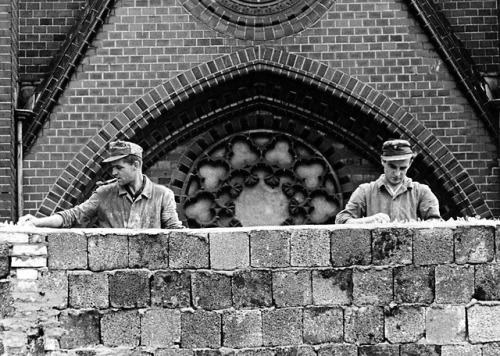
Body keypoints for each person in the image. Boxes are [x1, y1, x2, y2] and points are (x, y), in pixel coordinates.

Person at [18, 140, 184, 229]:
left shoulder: (162, 195)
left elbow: (175, 234)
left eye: (119, 167)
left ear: (136, 165)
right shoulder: (104, 193)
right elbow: (73, 216)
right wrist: (37, 222)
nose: (113, 173)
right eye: (113, 168)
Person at [335, 139, 441, 224]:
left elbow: (437, 224)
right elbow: (342, 220)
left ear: (410, 163)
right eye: (392, 167)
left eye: (403, 168)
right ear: (383, 161)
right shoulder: (365, 191)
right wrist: (369, 221)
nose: (397, 173)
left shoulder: (422, 192)